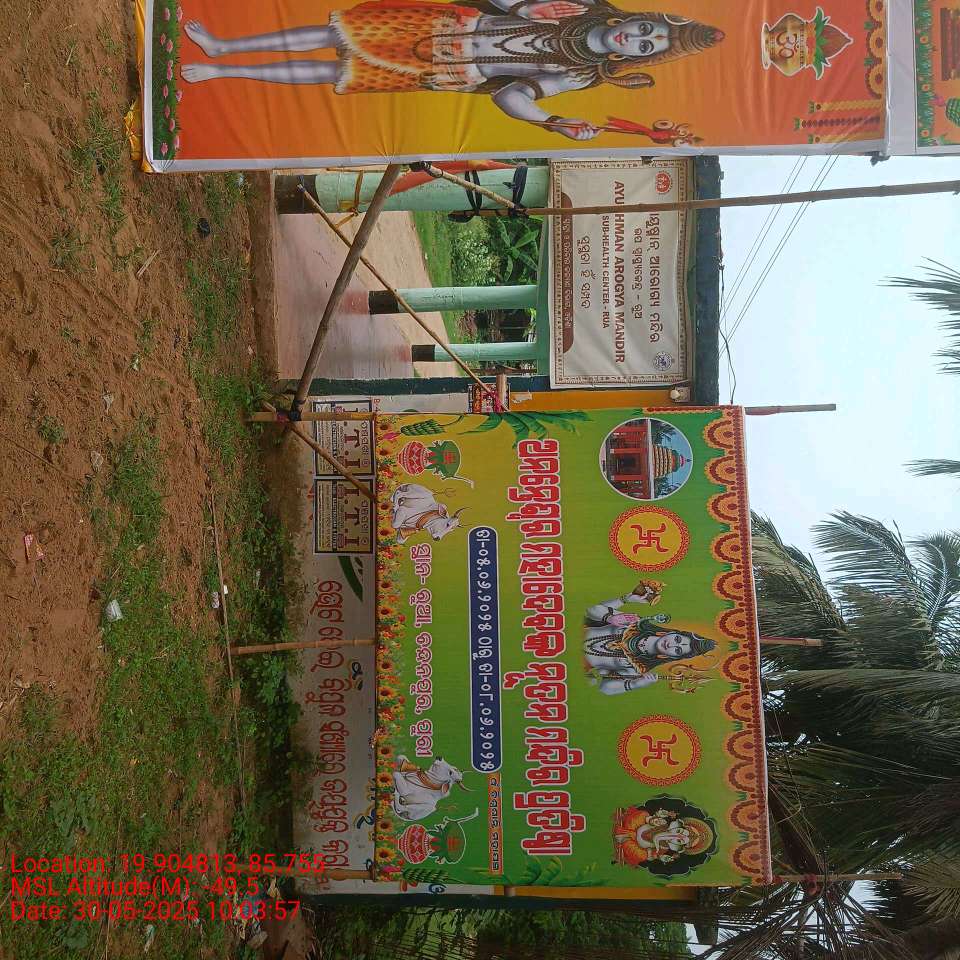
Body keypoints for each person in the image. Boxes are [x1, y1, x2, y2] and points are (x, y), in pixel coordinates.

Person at [179, 2, 723, 139]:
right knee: (333, 35)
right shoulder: (578, 7)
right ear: (639, 18)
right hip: (449, 23)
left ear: (639, 58)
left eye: (646, 46)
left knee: (333, 72)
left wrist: (551, 122)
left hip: (452, 70)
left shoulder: (582, 74)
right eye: (646, 28)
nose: (636, 38)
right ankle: (224, 47)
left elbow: (509, 97)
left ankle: (225, 74)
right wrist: (526, 8)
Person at [583, 581, 716, 694]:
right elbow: (591, 610)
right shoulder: (635, 623)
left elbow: (605, 688)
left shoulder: (638, 668)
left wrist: (635, 684)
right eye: (677, 639)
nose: (671, 645)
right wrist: (611, 617)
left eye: (678, 650)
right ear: (669, 633)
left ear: (672, 657)